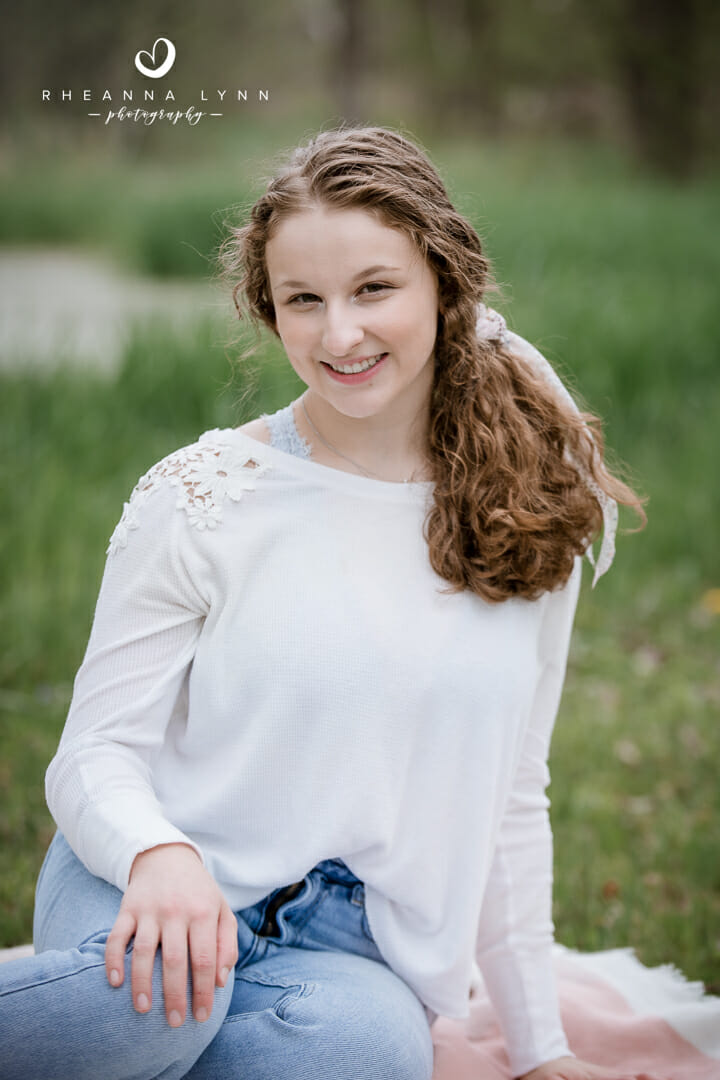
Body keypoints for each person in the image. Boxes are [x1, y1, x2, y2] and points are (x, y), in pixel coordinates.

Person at [0, 125, 654, 1080]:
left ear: (446, 283)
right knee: (164, 1009)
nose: (339, 335)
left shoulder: (529, 506)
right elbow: (93, 753)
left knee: (369, 1055)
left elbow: (512, 794)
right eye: (304, 299)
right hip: (152, 875)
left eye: (374, 289)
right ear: (271, 310)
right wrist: (156, 855)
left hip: (345, 950)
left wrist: (539, 1051)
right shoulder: (203, 495)